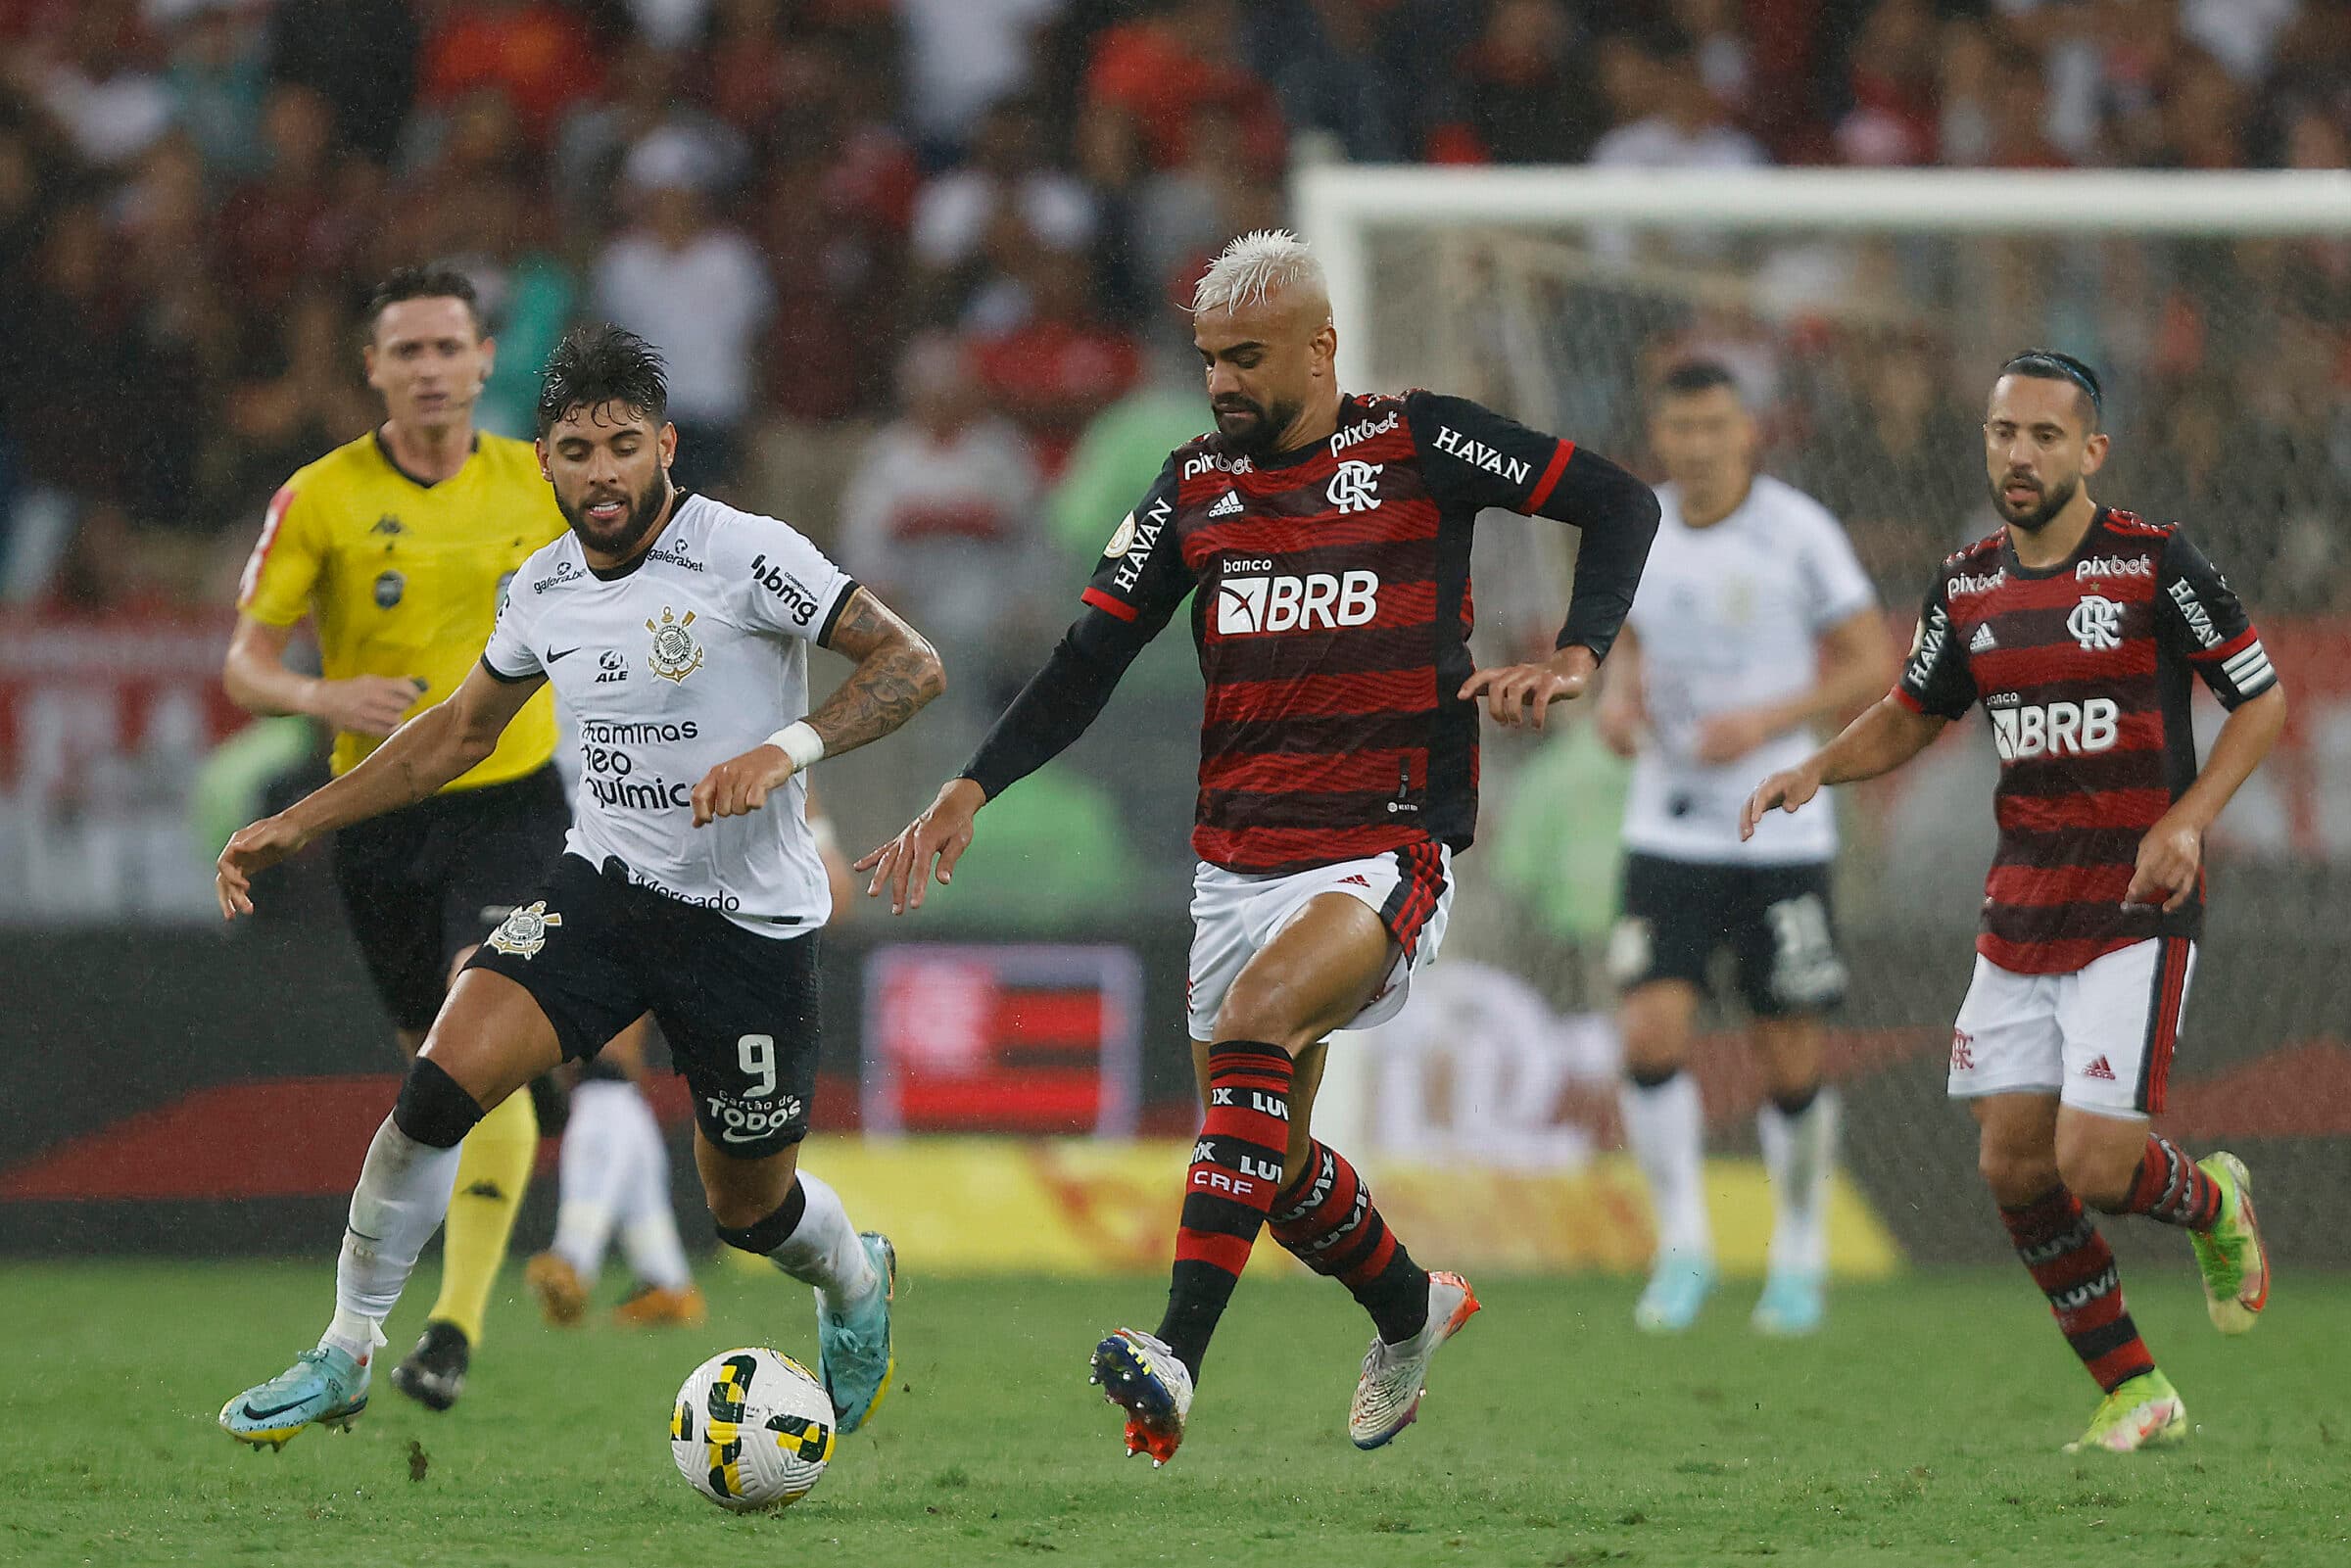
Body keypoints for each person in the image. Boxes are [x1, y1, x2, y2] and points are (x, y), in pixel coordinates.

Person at [859, 229, 1660, 1464]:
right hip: (1235, 864)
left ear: (1322, 347)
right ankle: (1411, 1308)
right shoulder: (1192, 487)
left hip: (1387, 844)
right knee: (1266, 1160)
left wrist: (1577, 650)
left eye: (1247, 358)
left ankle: (1176, 1352)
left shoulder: (1421, 441)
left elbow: (1619, 502)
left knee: (1257, 1030)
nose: (1223, 383)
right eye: (1208, 360)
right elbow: (1089, 657)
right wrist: (974, 786)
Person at [214, 326, 945, 1461]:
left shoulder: (747, 552)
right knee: (433, 1090)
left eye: (619, 445)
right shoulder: (543, 585)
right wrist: (294, 824)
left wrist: (786, 749)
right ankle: (348, 1347)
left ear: (664, 444)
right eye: (574, 449)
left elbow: (911, 663)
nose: (600, 471)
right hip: (603, 893)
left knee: (750, 1212)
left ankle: (856, 1279)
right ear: (544, 463)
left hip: (747, 924)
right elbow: (449, 739)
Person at [1744, 350, 2280, 1453]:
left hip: (2134, 904)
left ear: (2092, 451)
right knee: (2012, 1164)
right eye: (2003, 434)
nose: (2020, 454)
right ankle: (2136, 1386)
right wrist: (1817, 767)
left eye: (2044, 435)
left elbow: (2260, 700)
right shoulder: (1968, 583)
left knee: (2093, 1161)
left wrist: (2187, 821)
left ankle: (2214, 1203)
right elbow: (1909, 710)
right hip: (2021, 911)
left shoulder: (2153, 562)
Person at [224, 265, 572, 1412]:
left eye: (447, 347)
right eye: (406, 351)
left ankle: (452, 1328)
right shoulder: (319, 496)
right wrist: (327, 698)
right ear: (371, 368)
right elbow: (246, 662)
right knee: (434, 1063)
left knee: (486, 1020)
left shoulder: (545, 476)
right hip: (377, 817)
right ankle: (386, 1329)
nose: (429, 369)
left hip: (516, 799)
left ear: (486, 361)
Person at [1594, 360, 1896, 1337]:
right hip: (1669, 821)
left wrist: (1770, 716)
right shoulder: (1636, 523)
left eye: (1715, 426)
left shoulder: (1798, 531)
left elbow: (1871, 660)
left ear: (1747, 432)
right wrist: (1615, 694)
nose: (1696, 445)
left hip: (1781, 825)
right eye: (1680, 427)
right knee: (1649, 1029)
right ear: (1661, 433)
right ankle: (1684, 1245)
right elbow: (1626, 639)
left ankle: (1798, 1245)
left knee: (1790, 1048)